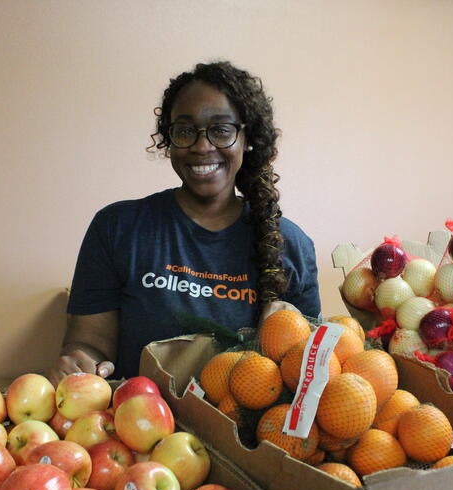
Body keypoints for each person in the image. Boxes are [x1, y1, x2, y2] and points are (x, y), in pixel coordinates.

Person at [48, 60, 321, 385]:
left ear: (247, 137)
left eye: (221, 130)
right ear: (169, 139)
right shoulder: (117, 228)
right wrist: (80, 363)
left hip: (242, 433)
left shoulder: (290, 246)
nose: (202, 146)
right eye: (185, 130)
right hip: (136, 427)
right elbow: (89, 344)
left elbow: (303, 374)